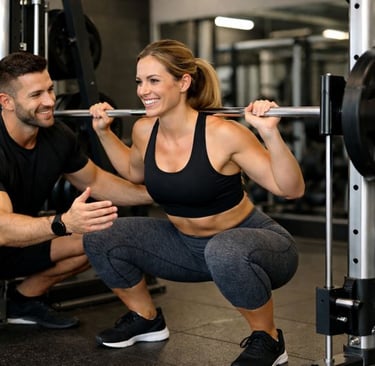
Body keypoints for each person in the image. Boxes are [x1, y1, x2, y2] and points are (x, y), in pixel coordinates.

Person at [85, 39, 305, 366]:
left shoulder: (223, 133)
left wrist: (269, 133)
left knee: (224, 250)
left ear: (184, 82)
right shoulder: (145, 130)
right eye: (139, 81)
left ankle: (268, 339)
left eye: (154, 80)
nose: (143, 90)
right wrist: (104, 133)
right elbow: (134, 173)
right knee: (101, 234)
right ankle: (146, 319)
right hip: (186, 248)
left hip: (259, 246)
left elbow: (290, 189)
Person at [0, 51, 153, 329]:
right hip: (5, 236)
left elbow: (98, 181)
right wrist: (63, 223)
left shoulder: (57, 136)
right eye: (36, 95)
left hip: (19, 244)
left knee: (101, 237)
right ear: (6, 101)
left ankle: (23, 300)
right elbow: (2, 229)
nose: (49, 102)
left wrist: (159, 195)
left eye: (49, 90)